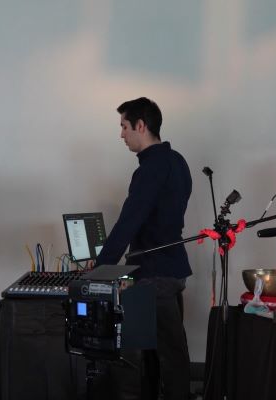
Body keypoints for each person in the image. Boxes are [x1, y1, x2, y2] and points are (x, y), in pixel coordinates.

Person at [95, 97, 192, 400]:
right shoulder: (177, 161)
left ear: (141, 125)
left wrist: (101, 269)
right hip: (172, 272)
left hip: (152, 275)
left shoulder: (151, 168)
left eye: (124, 126)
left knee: (136, 359)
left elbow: (129, 222)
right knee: (168, 354)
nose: (121, 134)